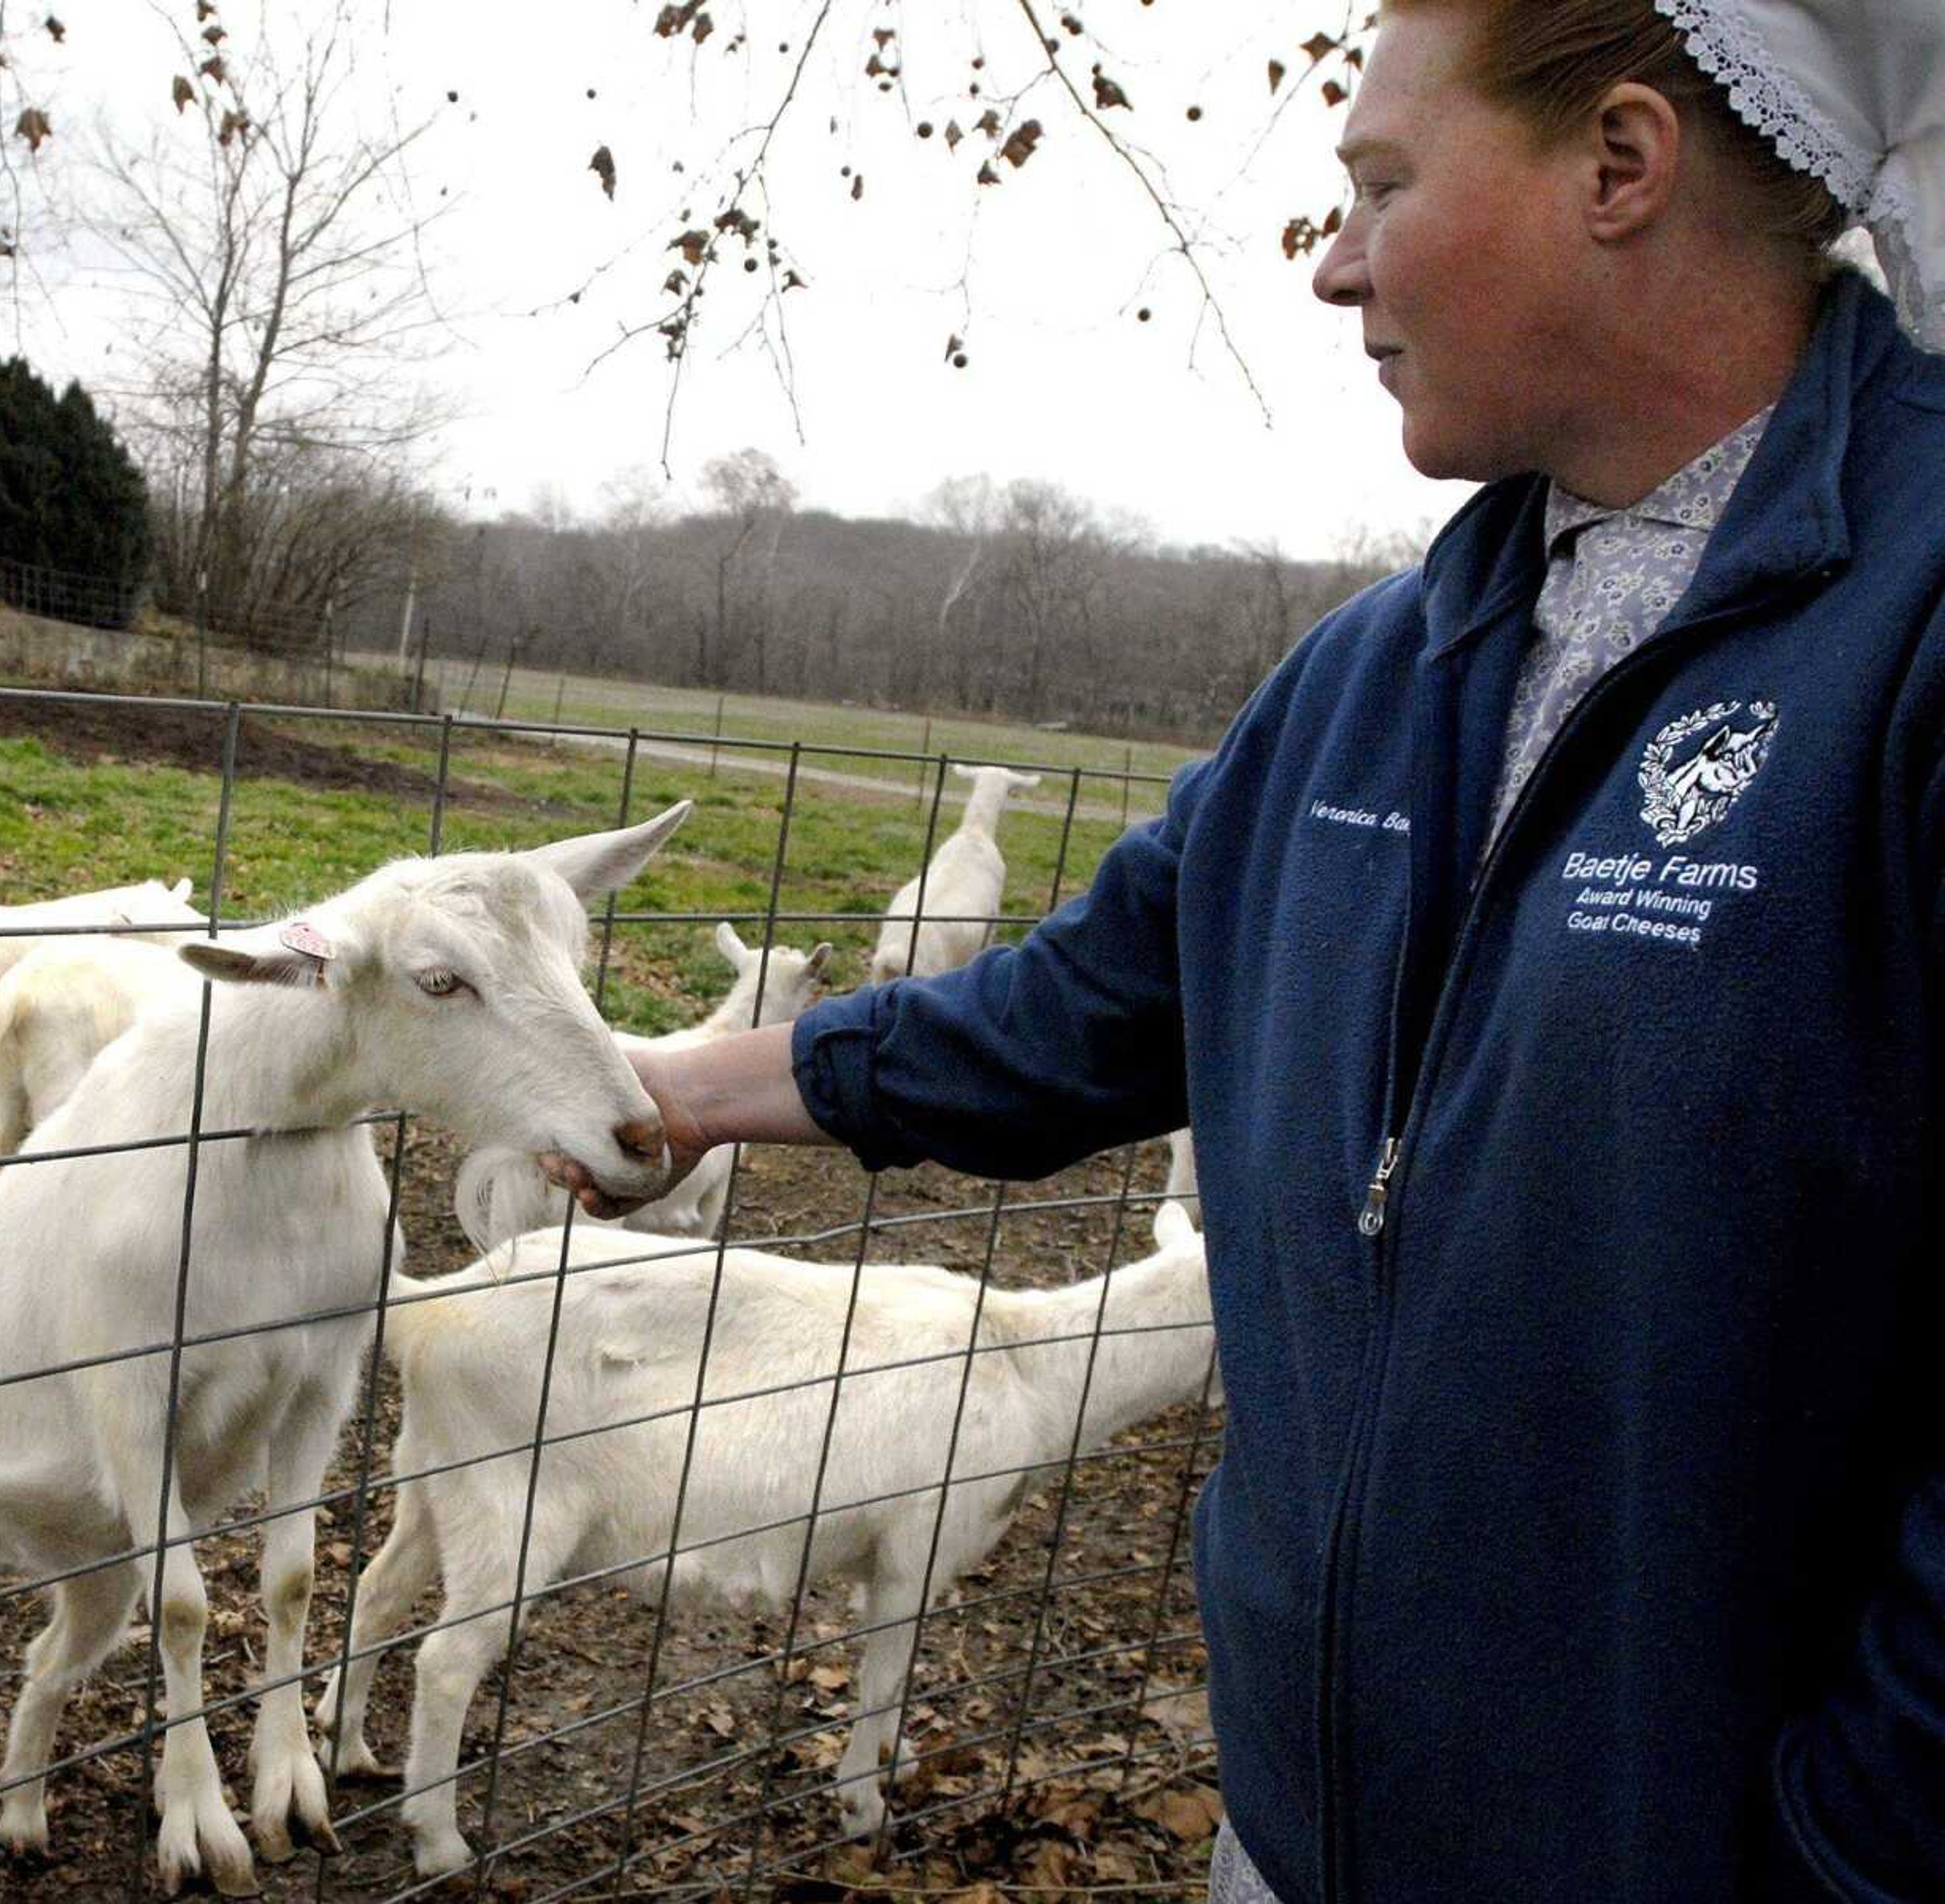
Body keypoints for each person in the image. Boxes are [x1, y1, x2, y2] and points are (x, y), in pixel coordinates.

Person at [546, 3, 1945, 1899]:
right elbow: (1086, 1005)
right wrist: (682, 1090)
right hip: (1294, 1847)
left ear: (1622, 165)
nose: (1333, 262)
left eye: (1380, 183)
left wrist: (1842, 1862)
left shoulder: (1907, 644)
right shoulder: (1377, 679)